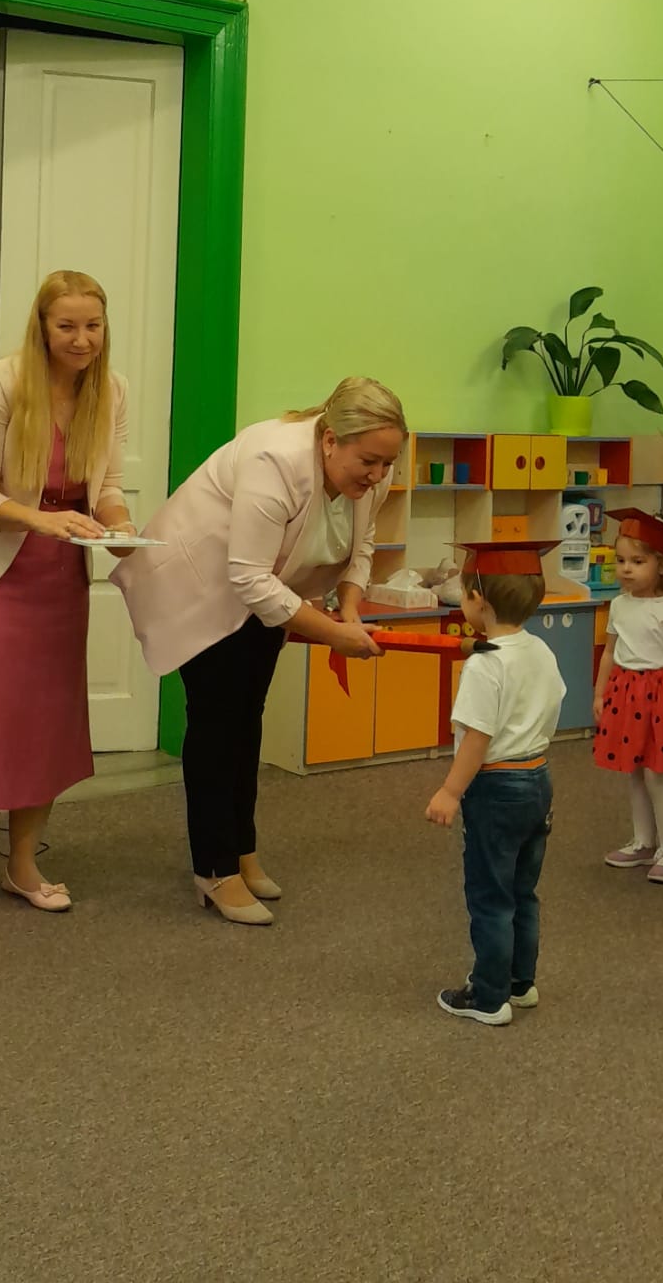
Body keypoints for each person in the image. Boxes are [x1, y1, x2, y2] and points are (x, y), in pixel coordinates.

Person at [112, 377, 406, 926]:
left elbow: (362, 543)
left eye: (387, 464)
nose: (377, 475)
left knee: (247, 721)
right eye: (369, 461)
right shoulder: (275, 459)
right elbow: (246, 576)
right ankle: (214, 868)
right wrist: (332, 634)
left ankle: (241, 850)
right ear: (329, 441)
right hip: (201, 588)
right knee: (215, 725)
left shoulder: (372, 470)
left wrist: (349, 605)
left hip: (272, 591)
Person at [0, 270, 136, 917]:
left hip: (59, 577)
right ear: (42, 327)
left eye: (93, 326)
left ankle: (22, 864)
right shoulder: (4, 382)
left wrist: (121, 527)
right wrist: (40, 520)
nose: (82, 340)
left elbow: (107, 487)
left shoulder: (112, 391)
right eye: (67, 326)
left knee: (47, 722)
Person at [425, 542, 564, 1027]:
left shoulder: (485, 663)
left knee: (490, 895)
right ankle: (520, 983)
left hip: (496, 787)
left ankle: (488, 997)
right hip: (538, 777)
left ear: (477, 600)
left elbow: (477, 738)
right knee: (523, 891)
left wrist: (450, 791)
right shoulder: (541, 649)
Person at [593, 508, 663, 885]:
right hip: (626, 695)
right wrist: (600, 694)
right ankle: (643, 842)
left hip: (661, 699)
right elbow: (610, 653)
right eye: (621, 560)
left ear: (661, 565)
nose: (626, 569)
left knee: (659, 777)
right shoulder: (619, 605)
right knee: (635, 774)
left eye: (637, 561)